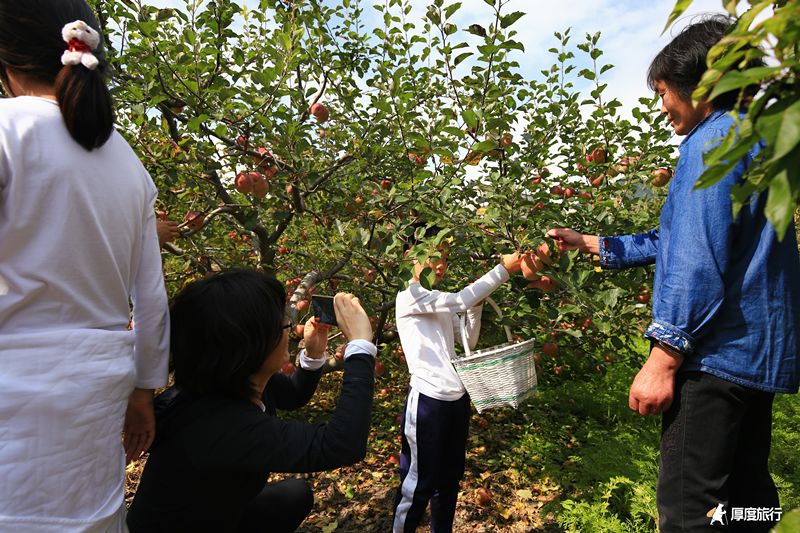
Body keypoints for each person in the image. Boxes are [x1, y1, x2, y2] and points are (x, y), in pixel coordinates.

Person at [547, 15, 800, 533]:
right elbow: (695, 241)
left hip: (714, 358)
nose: (662, 106)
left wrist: (664, 355)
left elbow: (695, 260)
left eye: (664, 91)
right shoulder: (757, 142)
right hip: (755, 357)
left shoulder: (710, 142)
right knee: (749, 498)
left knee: (691, 511)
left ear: (701, 86)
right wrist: (599, 244)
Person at [0, 1, 170, 531]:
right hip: (95, 403)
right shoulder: (129, 164)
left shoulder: (8, 132)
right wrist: (143, 389)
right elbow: (151, 297)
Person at [126, 269, 377, 533]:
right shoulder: (219, 425)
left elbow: (293, 394)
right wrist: (360, 346)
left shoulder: (229, 383)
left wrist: (313, 355)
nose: (288, 330)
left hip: (215, 512)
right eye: (281, 324)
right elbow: (342, 444)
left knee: (294, 494)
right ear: (252, 346)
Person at [392, 230, 522, 533]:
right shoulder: (410, 294)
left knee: (449, 481)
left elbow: (468, 338)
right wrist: (504, 269)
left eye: (446, 259)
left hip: (456, 400)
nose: (440, 266)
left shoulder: (436, 301)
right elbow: (461, 298)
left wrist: (476, 305)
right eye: (435, 257)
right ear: (410, 257)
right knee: (418, 484)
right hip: (427, 401)